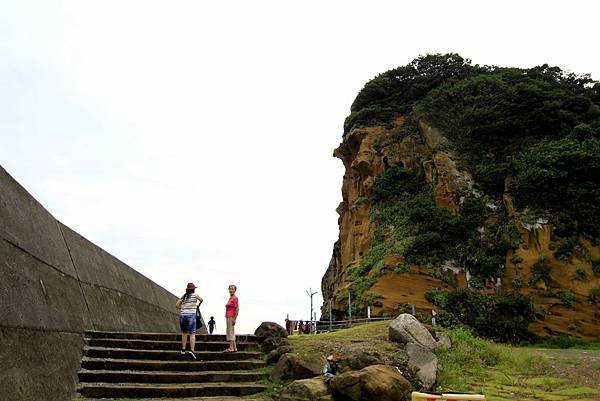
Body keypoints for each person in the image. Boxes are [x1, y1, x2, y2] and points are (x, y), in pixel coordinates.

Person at [175, 282, 203, 359]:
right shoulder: (195, 295)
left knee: (184, 332)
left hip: (183, 316)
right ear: (193, 289)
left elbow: (177, 305)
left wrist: (184, 308)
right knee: (192, 333)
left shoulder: (183, 296)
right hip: (191, 316)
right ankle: (192, 350)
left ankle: (183, 349)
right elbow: (201, 300)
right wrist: (197, 305)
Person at [224, 284, 239, 352]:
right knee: (231, 331)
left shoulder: (235, 298)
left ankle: (231, 348)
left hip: (231, 316)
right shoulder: (231, 298)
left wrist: (234, 319)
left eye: (232, 289)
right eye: (230, 289)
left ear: (235, 290)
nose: (231, 290)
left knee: (230, 332)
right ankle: (234, 347)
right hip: (228, 316)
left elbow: (237, 309)